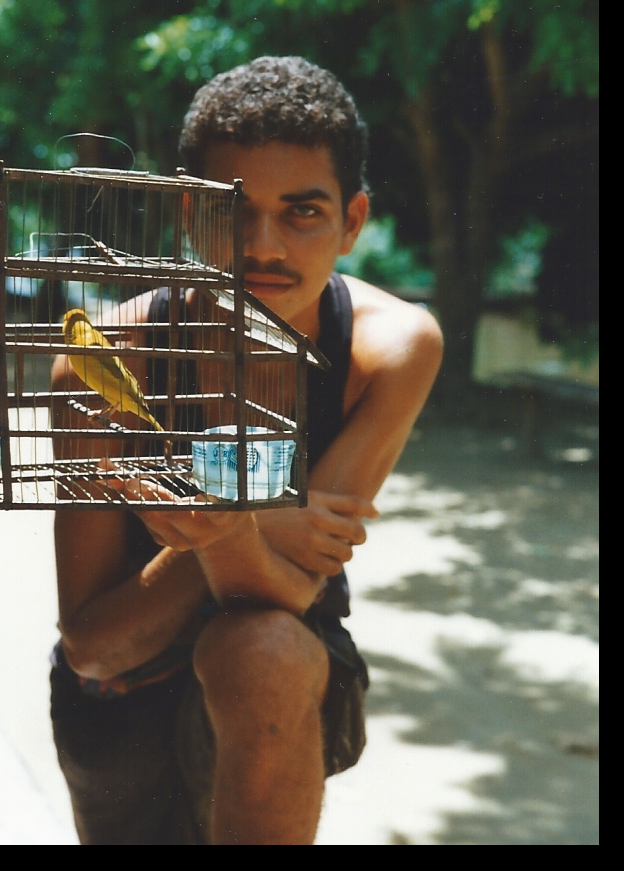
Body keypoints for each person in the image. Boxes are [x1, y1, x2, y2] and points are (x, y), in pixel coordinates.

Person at [49, 56, 442, 845]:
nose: (264, 246)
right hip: (120, 692)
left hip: (282, 668)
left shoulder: (388, 346)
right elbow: (93, 646)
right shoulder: (105, 357)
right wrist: (258, 519)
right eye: (234, 210)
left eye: (302, 212)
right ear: (191, 213)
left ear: (352, 221)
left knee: (257, 644)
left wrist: (225, 525)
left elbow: (292, 592)